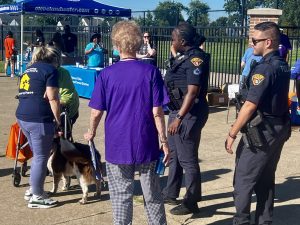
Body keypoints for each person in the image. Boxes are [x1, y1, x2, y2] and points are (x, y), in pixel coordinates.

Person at [84, 21, 170, 225]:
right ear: (139, 43)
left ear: (116, 45)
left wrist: (91, 132)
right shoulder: (151, 72)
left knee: (121, 196)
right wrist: (164, 140)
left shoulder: (106, 74)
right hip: (145, 140)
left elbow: (96, 111)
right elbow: (157, 111)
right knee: (152, 194)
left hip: (118, 142)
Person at [225, 22, 291, 225]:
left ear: (268, 42)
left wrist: (232, 133)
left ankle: (241, 221)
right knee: (265, 178)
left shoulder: (264, 68)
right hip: (278, 127)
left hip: (263, 131)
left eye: (255, 40)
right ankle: (264, 220)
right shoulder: (281, 64)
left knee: (243, 180)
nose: (252, 43)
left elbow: (249, 106)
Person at [162, 22, 210, 215]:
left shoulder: (196, 59)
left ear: (182, 40)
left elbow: (192, 92)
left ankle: (192, 201)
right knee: (174, 155)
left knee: (187, 159)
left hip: (188, 114)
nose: (172, 42)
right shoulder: (184, 56)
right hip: (176, 112)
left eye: (174, 39)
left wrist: (179, 118)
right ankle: (170, 192)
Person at [16, 46, 62, 208]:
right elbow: (53, 98)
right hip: (39, 117)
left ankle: (33, 188)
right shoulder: (50, 70)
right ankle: (36, 196)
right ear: (54, 59)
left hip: (22, 115)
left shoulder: (28, 70)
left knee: (37, 155)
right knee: (41, 157)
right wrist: (57, 121)